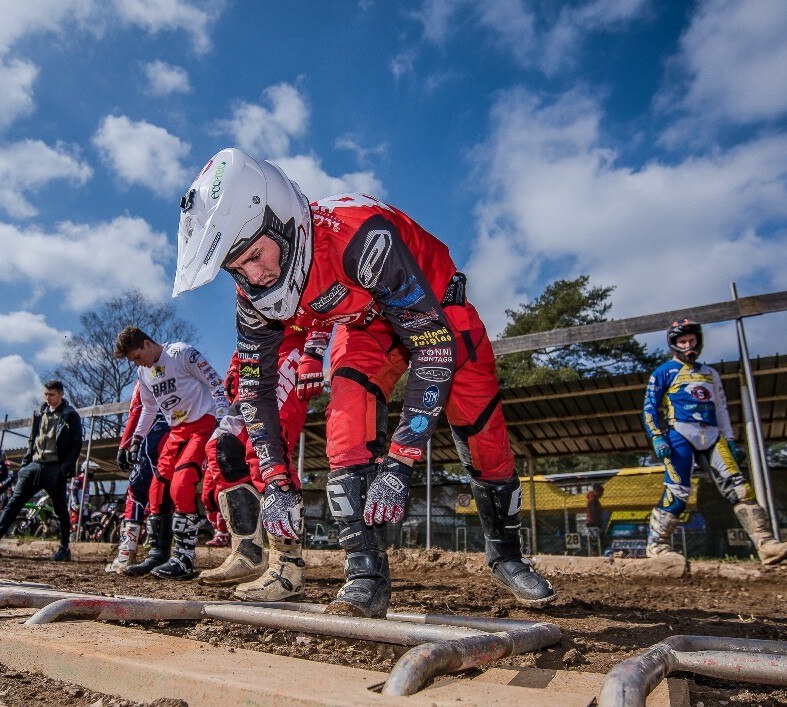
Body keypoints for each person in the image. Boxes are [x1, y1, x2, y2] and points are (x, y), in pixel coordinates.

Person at [173, 148, 556, 617]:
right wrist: (274, 480)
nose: (255, 276)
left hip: (439, 315)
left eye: (255, 256)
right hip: (366, 327)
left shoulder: (360, 236)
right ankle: (365, 574)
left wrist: (399, 462)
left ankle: (507, 556)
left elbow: (433, 347)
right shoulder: (250, 295)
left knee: (484, 437)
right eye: (237, 268)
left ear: (283, 222)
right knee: (346, 428)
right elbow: (253, 390)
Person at [643, 319, 787, 566]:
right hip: (679, 435)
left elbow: (721, 408)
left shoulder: (711, 374)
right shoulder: (663, 372)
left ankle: (766, 544)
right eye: (682, 341)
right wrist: (657, 437)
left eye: (691, 340)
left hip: (713, 436)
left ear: (699, 341)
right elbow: (649, 408)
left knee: (740, 488)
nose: (687, 345)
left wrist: (730, 439)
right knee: (678, 491)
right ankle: (656, 545)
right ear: (673, 344)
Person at [198, 325, 330, 601]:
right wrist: (236, 366)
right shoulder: (240, 284)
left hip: (291, 344)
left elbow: (321, 295)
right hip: (255, 359)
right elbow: (248, 325)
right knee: (222, 447)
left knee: (266, 449)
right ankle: (247, 552)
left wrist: (314, 352)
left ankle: (288, 568)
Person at [113, 326, 229, 580]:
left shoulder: (181, 353)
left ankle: (184, 558)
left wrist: (222, 420)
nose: (136, 363)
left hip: (202, 424)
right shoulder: (144, 373)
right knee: (158, 489)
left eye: (136, 356)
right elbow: (149, 407)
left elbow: (215, 383)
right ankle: (158, 553)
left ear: (146, 344)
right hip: (176, 432)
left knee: (183, 484)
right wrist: (136, 439)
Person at [0, 381, 83, 562]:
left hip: (55, 467)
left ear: (61, 394)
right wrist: (25, 464)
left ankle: (64, 548)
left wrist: (65, 467)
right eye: (46, 394)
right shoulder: (39, 413)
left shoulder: (70, 416)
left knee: (60, 508)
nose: (48, 398)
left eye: (52, 395)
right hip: (34, 465)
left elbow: (76, 444)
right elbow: (33, 439)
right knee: (14, 501)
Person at [106, 386, 171, 573]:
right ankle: (162, 555)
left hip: (151, 434)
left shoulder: (146, 373)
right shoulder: (179, 366)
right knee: (165, 494)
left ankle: (126, 555)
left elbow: (137, 408)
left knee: (136, 493)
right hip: (179, 430)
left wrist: (125, 443)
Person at [584, 483, 605, 554]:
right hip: (593, 523)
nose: (602, 494)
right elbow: (593, 512)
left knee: (594, 539)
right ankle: (595, 553)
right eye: (601, 492)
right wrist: (598, 525)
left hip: (592, 523)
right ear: (597, 491)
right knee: (596, 539)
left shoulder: (592, 499)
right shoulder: (593, 500)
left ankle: (594, 552)